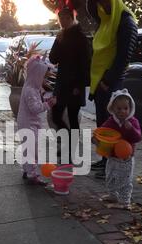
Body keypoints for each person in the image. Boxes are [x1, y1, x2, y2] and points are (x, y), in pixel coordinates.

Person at [87, 0, 138, 178]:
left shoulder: (125, 21)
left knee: (114, 127)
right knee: (103, 124)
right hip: (101, 83)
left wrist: (107, 80)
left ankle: (113, 165)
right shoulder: (106, 20)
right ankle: (105, 160)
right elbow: (92, 9)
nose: (102, 4)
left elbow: (125, 56)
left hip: (111, 84)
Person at [49, 5, 91, 163]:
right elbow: (53, 59)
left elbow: (85, 64)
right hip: (61, 83)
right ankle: (68, 144)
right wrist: (58, 41)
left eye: (66, 18)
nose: (63, 21)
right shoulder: (61, 36)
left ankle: (71, 152)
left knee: (73, 118)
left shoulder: (81, 37)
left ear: (72, 18)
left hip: (75, 86)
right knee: (56, 115)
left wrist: (78, 86)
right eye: (61, 19)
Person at [93, 89, 142, 209]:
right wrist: (95, 139)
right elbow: (102, 132)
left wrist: (131, 129)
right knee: (110, 176)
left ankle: (125, 201)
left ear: (130, 109)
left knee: (124, 180)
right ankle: (113, 194)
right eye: (119, 109)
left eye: (125, 108)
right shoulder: (111, 122)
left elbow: (138, 138)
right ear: (113, 109)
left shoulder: (133, 122)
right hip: (112, 156)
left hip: (126, 158)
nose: (122, 112)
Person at [17, 56, 57, 185]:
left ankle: (27, 170)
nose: (44, 79)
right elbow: (35, 108)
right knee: (31, 149)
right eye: (43, 76)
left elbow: (35, 104)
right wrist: (48, 105)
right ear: (37, 75)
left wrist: (44, 101)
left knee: (30, 148)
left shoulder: (32, 88)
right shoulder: (30, 90)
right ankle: (31, 173)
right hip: (28, 123)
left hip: (31, 122)